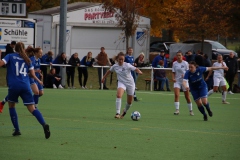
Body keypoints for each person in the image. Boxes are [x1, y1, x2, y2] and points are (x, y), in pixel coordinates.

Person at [0, 42, 50, 139]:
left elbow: (1, 64)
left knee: (11, 106)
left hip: (14, 85)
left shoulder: (10, 56)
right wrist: (38, 80)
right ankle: (44, 124)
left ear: (15, 49)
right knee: (32, 109)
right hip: (25, 85)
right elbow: (31, 74)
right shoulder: (27, 60)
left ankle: (17, 129)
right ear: (23, 49)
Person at [101, 52, 142, 119]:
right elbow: (109, 71)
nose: (121, 61)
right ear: (117, 59)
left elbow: (135, 69)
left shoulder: (127, 65)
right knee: (119, 95)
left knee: (129, 102)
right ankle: (117, 113)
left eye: (122, 59)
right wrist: (103, 78)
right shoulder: (115, 66)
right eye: (120, 59)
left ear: (124, 59)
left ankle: (124, 111)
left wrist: (139, 71)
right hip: (121, 82)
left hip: (130, 84)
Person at [172, 51, 194, 116]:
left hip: (184, 81)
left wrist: (184, 75)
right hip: (177, 81)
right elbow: (173, 72)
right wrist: (173, 78)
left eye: (180, 55)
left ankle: (191, 110)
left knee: (187, 96)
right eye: (177, 55)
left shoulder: (185, 63)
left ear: (182, 56)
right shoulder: (174, 63)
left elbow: (188, 72)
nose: (178, 57)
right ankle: (177, 110)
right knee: (176, 95)